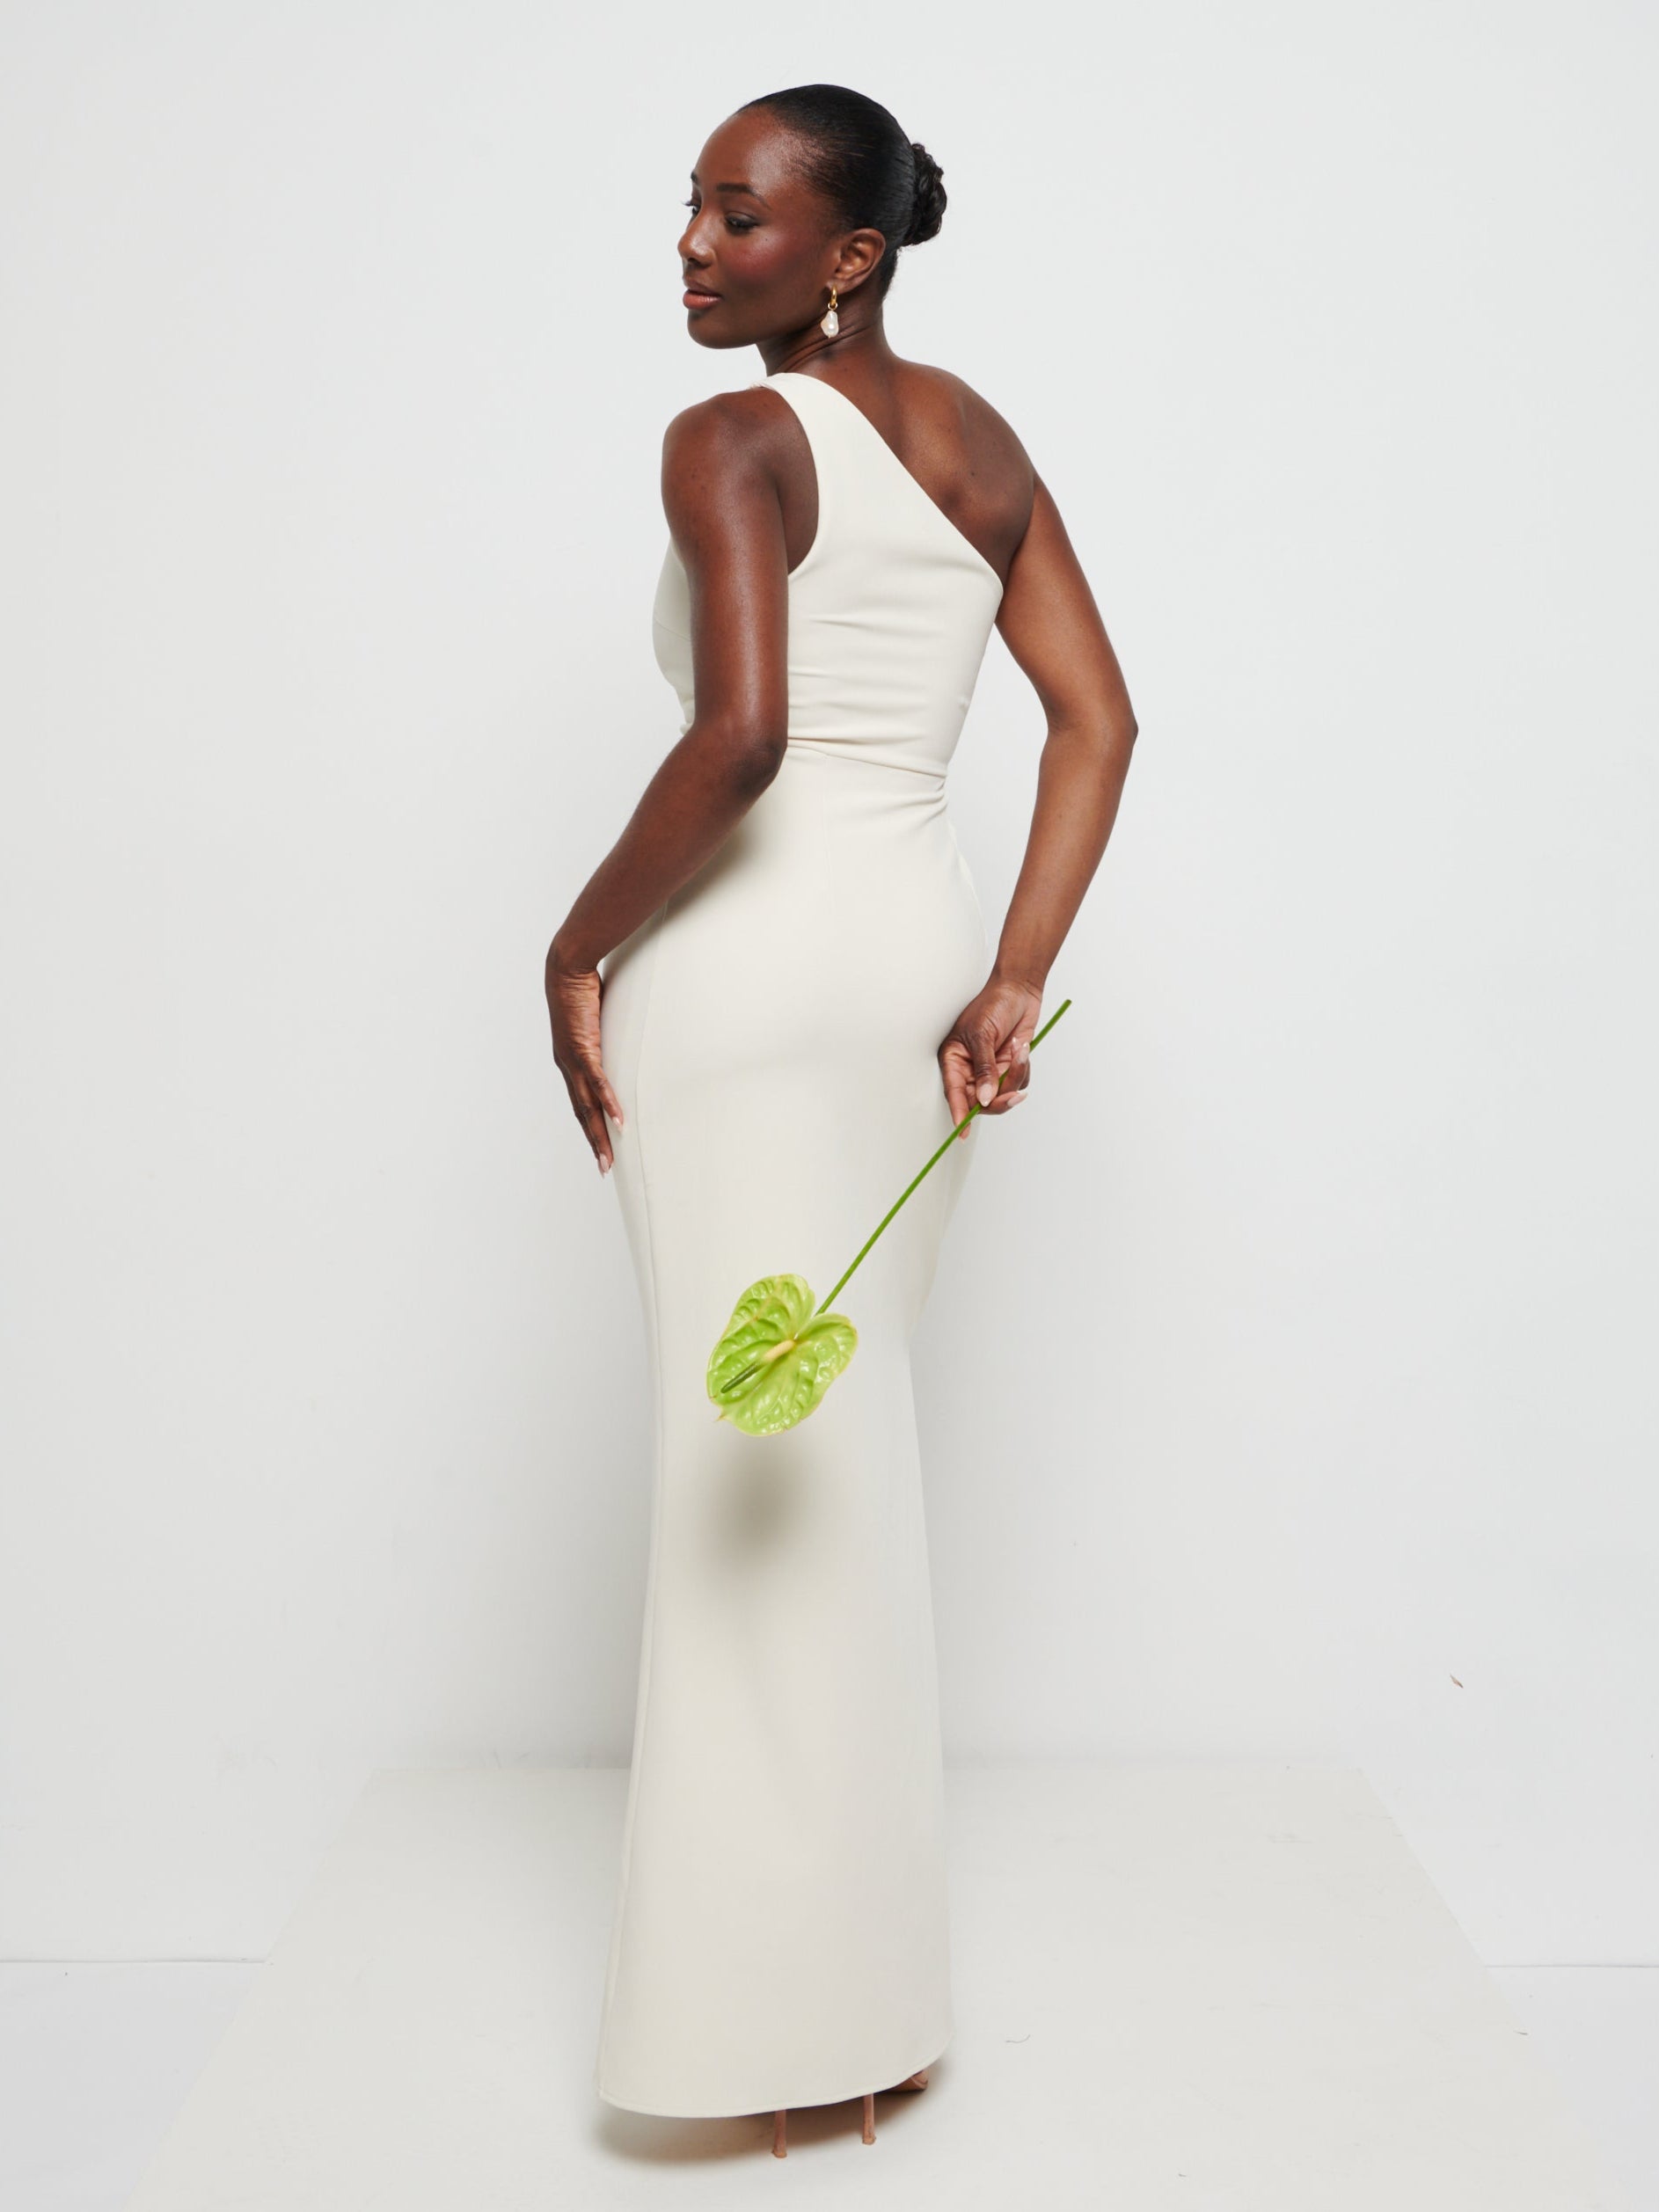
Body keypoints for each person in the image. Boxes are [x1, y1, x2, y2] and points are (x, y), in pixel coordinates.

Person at [545, 83, 1138, 2154]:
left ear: (848, 253)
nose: (694, 248)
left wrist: (573, 948)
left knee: (742, 1476)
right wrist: (1009, 976)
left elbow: (739, 737)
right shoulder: (974, 441)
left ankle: (763, 2031)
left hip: (745, 977)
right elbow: (1097, 718)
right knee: (833, 1456)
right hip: (901, 971)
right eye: (692, 209)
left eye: (740, 216)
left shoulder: (732, 440)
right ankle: (863, 2011)